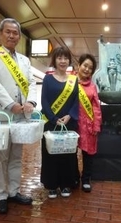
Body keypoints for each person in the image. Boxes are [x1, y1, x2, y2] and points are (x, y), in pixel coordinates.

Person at [0, 18, 37, 214]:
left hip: (21, 115)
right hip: (2, 114)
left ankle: (13, 191)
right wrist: (10, 104)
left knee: (16, 155)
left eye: (15, 32)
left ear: (19, 36)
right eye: (8, 32)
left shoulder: (25, 60)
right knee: (0, 156)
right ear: (1, 34)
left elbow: (31, 82)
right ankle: (0, 195)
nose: (12, 35)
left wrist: (31, 102)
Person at [41, 46, 79, 199]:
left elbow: (76, 102)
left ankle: (66, 184)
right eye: (59, 58)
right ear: (54, 60)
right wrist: (53, 118)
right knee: (50, 154)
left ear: (69, 60)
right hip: (51, 123)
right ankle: (51, 185)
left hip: (68, 124)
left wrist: (70, 116)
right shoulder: (47, 79)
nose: (63, 61)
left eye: (65, 58)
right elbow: (44, 101)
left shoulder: (73, 80)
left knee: (68, 154)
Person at [77, 53, 102, 192]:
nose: (87, 69)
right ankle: (73, 177)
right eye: (85, 65)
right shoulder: (70, 83)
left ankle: (86, 179)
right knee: (69, 152)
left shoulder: (92, 87)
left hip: (88, 124)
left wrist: (96, 125)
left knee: (88, 154)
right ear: (79, 65)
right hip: (73, 123)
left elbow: (96, 108)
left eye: (90, 68)